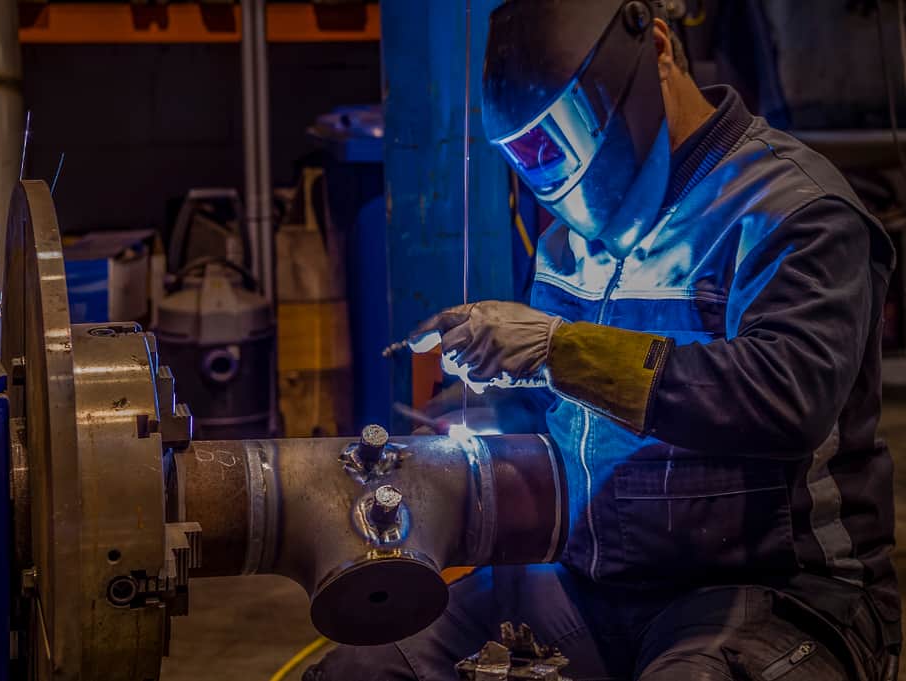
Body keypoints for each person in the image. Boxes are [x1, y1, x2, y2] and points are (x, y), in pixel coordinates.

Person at [307, 1, 900, 678]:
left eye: (577, 145)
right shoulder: (569, 240)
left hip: (772, 590)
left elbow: (782, 396)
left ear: (658, 48)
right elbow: (561, 420)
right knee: (362, 667)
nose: (570, 195)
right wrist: (486, 419)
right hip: (589, 587)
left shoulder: (792, 211)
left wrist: (558, 349)